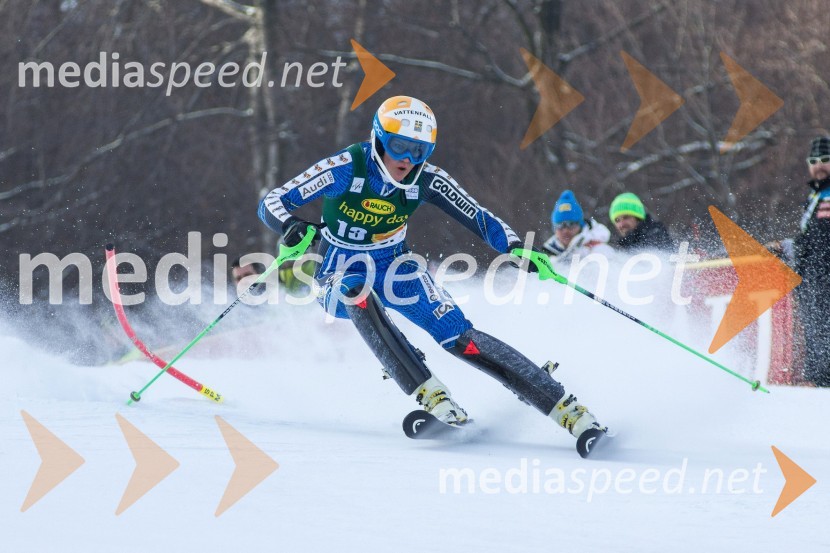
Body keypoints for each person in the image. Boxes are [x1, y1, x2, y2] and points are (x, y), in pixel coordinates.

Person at [257, 95, 605, 443]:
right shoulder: (348, 166)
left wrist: (515, 248)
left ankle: (565, 407)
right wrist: (290, 225)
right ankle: (431, 393)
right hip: (337, 270)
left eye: (419, 152)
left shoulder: (428, 179)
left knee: (458, 335)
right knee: (355, 291)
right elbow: (272, 201)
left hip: (395, 267)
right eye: (399, 147)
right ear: (379, 138)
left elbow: (479, 217)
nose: (408, 160)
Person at [793, 136, 830, 386]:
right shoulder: (814, 196)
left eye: (826, 160)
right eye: (814, 161)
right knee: (817, 339)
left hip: (825, 280)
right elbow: (810, 238)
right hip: (813, 284)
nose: (819, 165)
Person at [542, 189, 613, 262]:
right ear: (554, 228)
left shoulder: (599, 250)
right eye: (560, 225)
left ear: (580, 225)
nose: (565, 230)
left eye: (570, 224)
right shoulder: (547, 256)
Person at [609, 192, 675, 252]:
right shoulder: (622, 246)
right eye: (617, 220)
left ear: (637, 218)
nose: (621, 224)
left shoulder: (654, 235)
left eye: (626, 217)